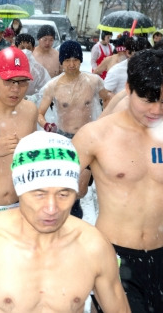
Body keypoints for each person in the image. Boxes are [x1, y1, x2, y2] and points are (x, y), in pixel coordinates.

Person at [0, 132, 130, 313]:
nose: (51, 208)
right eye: (39, 194)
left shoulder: (94, 247)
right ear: (20, 190)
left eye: (63, 194)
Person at [72, 48, 163, 313]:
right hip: (112, 254)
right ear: (129, 88)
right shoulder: (95, 136)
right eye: (148, 99)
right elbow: (56, 191)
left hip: (160, 256)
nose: (157, 109)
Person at [38, 41, 109, 218]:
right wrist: (47, 125)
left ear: (80, 60)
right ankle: (69, 216)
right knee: (65, 185)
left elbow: (109, 99)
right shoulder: (53, 86)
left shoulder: (93, 81)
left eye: (75, 60)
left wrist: (102, 121)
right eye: (67, 60)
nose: (71, 64)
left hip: (87, 139)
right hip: (64, 138)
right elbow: (39, 113)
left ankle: (74, 208)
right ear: (61, 62)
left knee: (81, 189)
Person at [0, 47, 38, 214]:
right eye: (9, 81)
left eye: (22, 82)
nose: (16, 89)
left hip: (20, 207)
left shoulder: (30, 110)